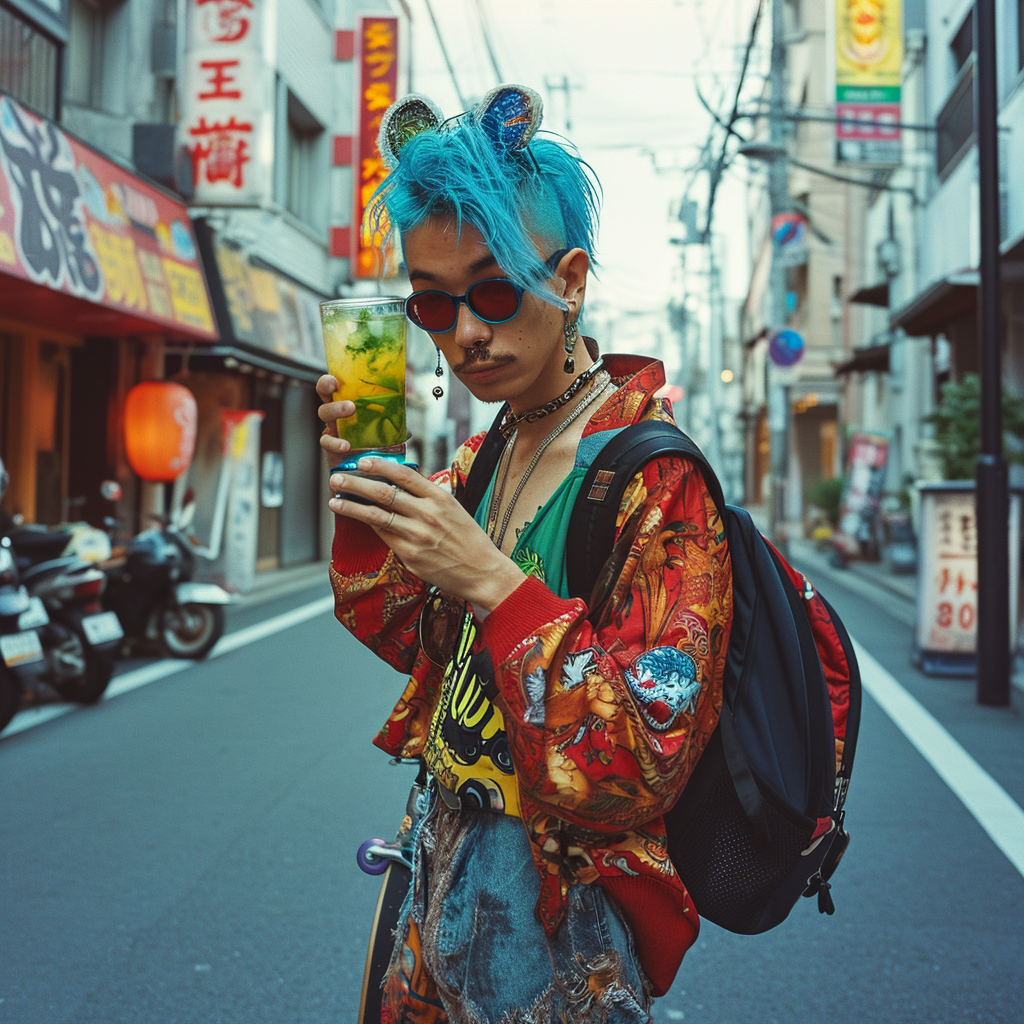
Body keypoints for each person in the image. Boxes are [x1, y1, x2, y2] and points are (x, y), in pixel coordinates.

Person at [317, 85, 732, 1024]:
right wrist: (363, 494)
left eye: (496, 291)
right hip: (441, 874)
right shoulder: (487, 453)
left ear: (572, 279)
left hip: (560, 921)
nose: (465, 332)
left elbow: (642, 755)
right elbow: (404, 627)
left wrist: (494, 585)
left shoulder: (654, 481)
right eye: (433, 303)